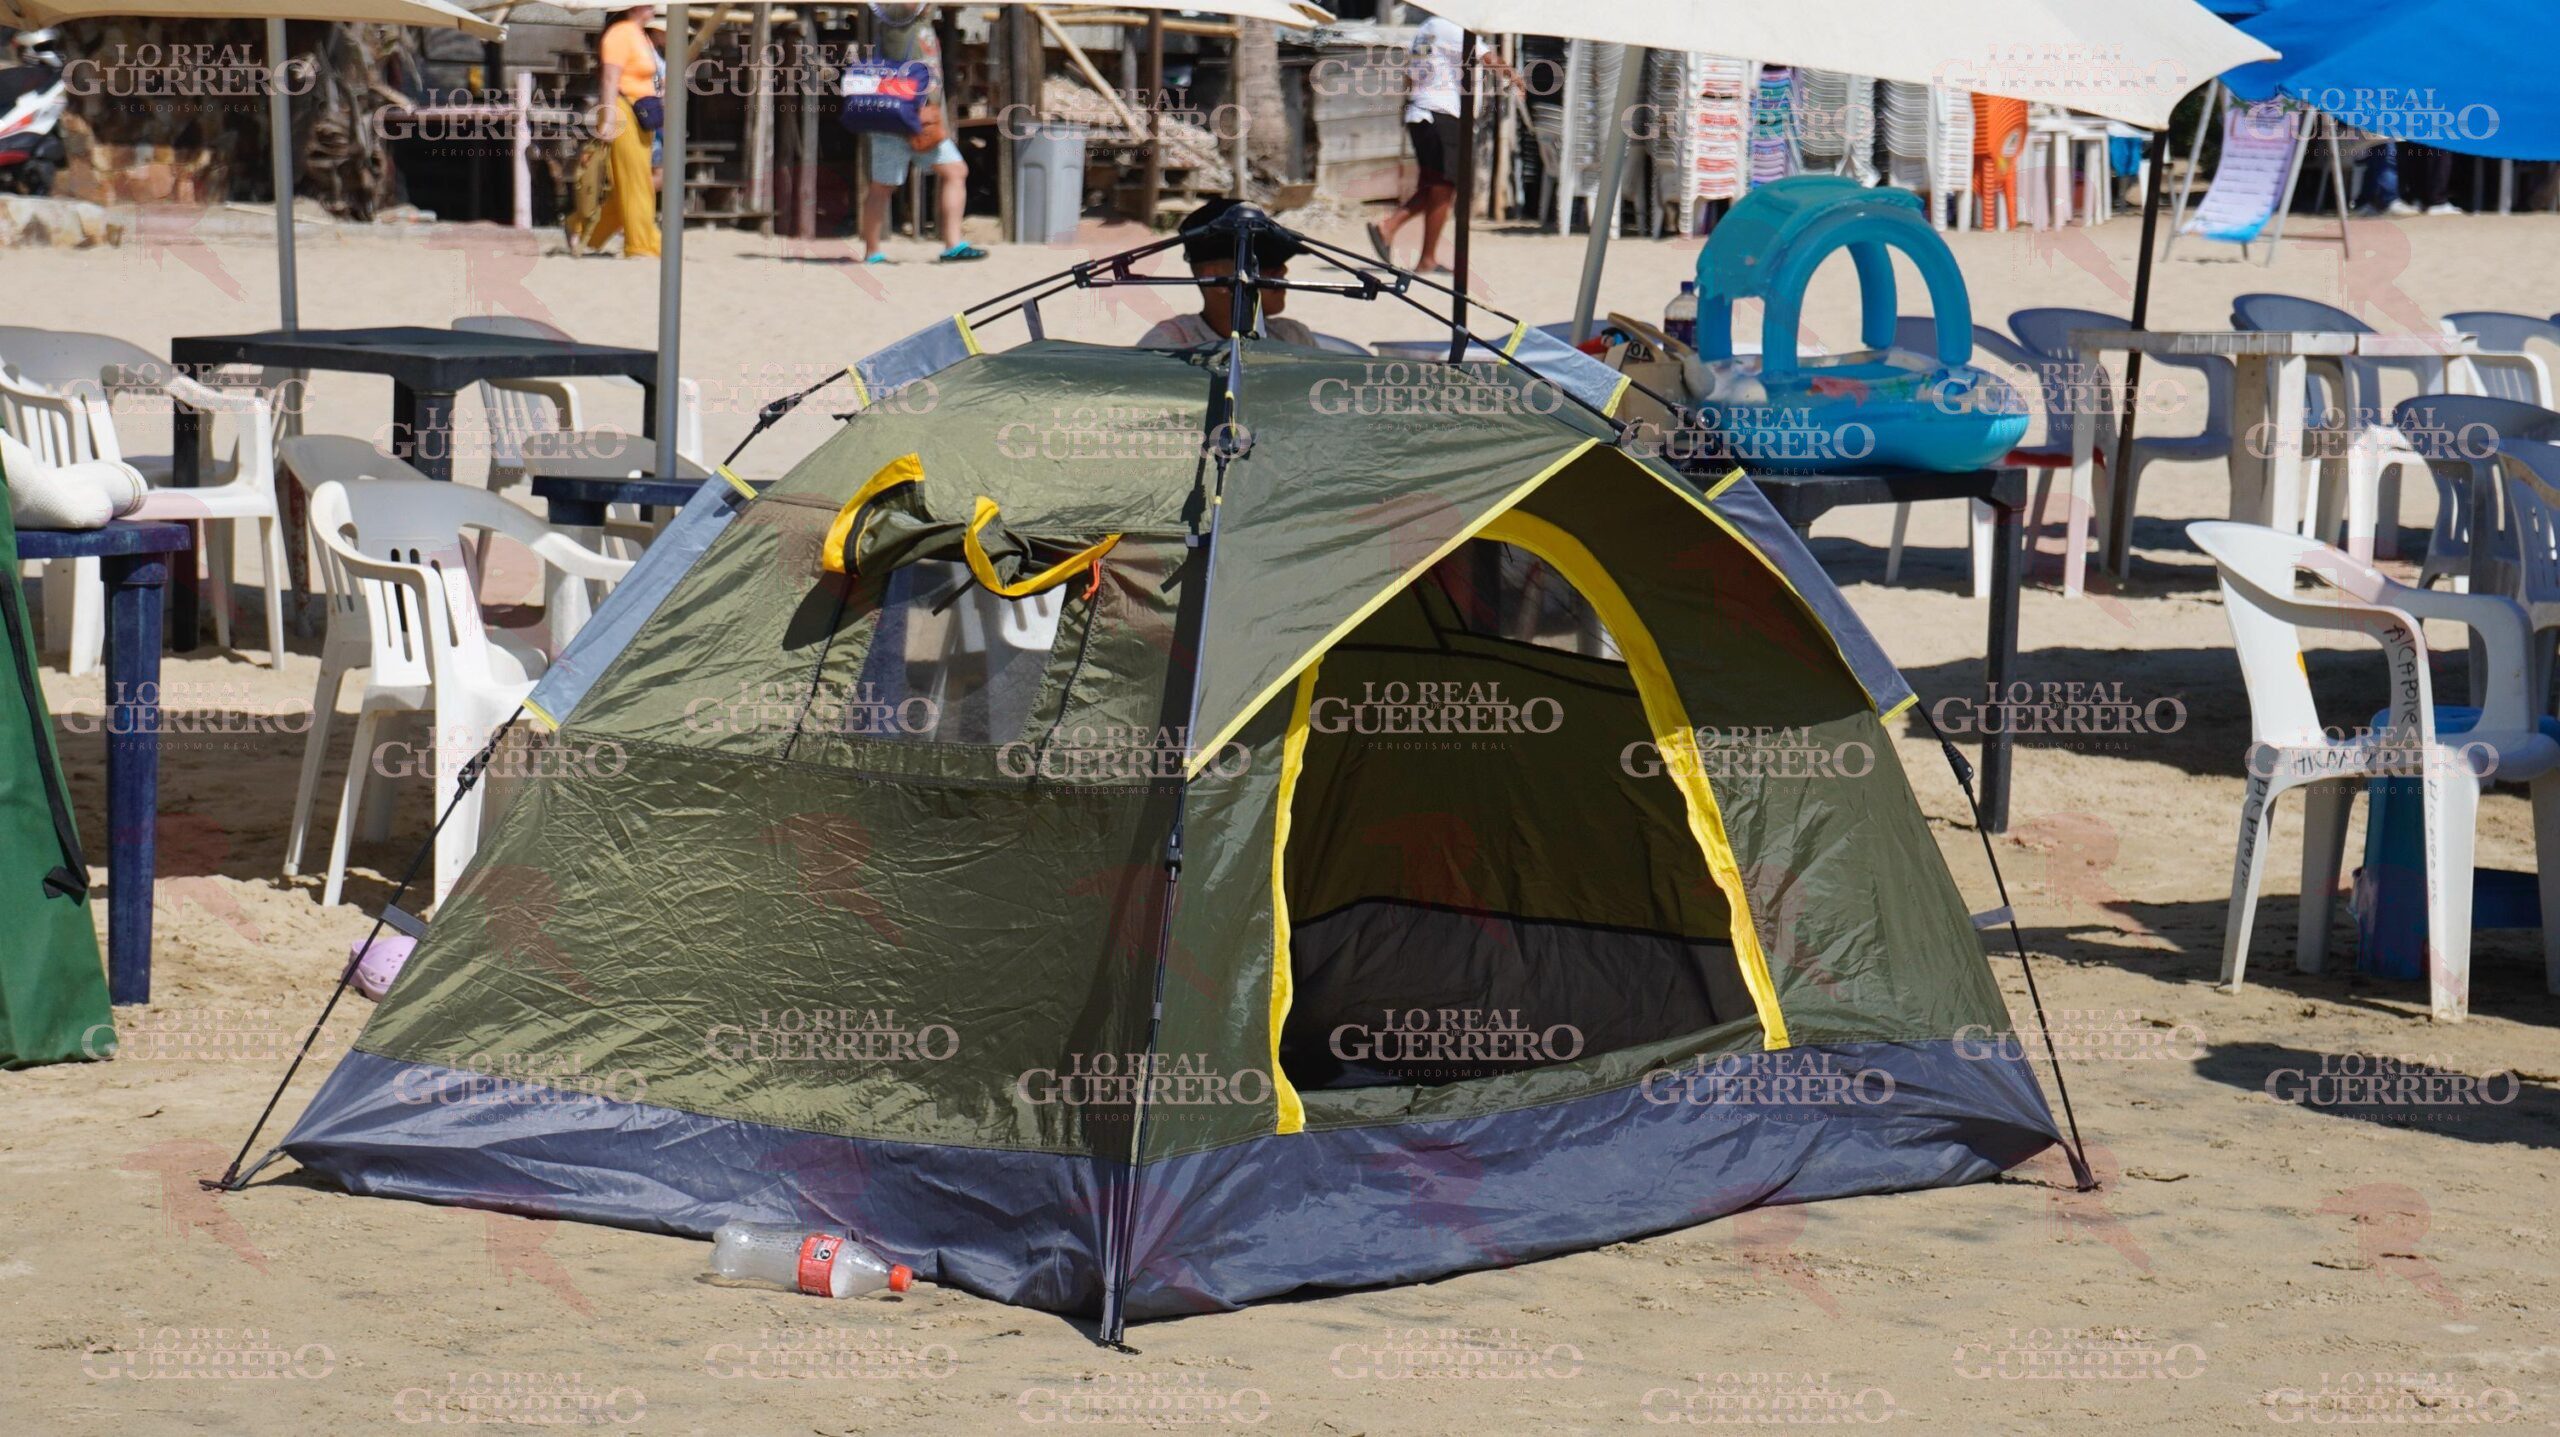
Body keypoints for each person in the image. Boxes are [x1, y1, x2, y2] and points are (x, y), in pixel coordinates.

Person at [1368, 15, 1519, 274]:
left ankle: (1413, 246)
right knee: (1445, 186)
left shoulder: (1426, 28)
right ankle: (1396, 232)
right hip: (1439, 113)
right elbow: (1487, 57)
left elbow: (1410, 76)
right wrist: (1516, 77)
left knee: (1435, 185)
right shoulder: (1450, 27)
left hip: (1422, 112)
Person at [860, 4, 984, 263]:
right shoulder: (897, 17)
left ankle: (953, 244)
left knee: (955, 171)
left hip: (922, 119)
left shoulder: (917, 22)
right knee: (882, 186)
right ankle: (872, 251)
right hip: (896, 118)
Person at [1138, 199, 1318, 349]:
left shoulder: (1294, 337)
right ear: (1216, 279)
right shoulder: (1168, 345)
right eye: (1264, 262)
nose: (1283, 270)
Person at [581, 6, 661, 259]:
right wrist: (607, 118)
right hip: (623, 108)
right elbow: (609, 78)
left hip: (643, 112)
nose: (653, 7)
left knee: (635, 180)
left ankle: (583, 231)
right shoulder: (619, 34)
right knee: (634, 180)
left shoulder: (640, 34)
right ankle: (640, 243)